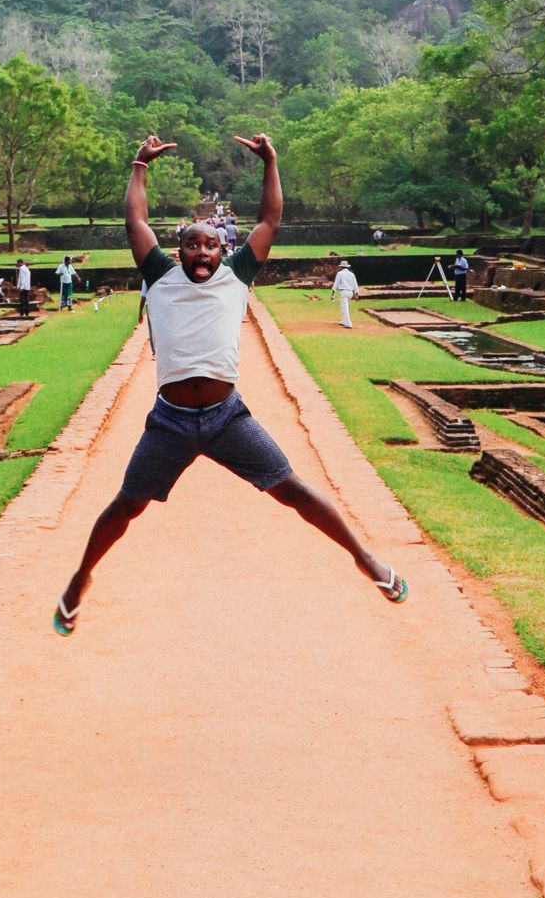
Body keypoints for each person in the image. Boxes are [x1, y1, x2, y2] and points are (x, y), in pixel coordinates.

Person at [54, 133, 407, 634]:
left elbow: (270, 220)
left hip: (226, 418)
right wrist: (139, 165)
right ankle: (79, 579)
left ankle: (363, 556)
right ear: (179, 250)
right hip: (170, 422)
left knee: (294, 490)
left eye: (210, 245)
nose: (202, 252)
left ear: (224, 249)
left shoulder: (238, 275)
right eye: (193, 244)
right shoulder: (158, 274)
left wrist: (271, 162)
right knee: (126, 505)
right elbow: (135, 219)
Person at [331, 255, 359, 329]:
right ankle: (344, 321)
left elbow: (336, 284)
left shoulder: (340, 273)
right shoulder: (351, 274)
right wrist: (356, 294)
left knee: (344, 308)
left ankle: (348, 323)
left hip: (344, 292)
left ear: (341, 267)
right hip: (350, 292)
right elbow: (355, 284)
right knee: (345, 307)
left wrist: (333, 294)